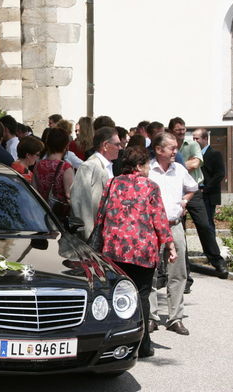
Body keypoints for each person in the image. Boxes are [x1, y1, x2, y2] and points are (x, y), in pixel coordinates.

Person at [94, 146, 176, 358]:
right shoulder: (150, 186)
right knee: (141, 296)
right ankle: (144, 344)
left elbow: (100, 216)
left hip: (114, 251)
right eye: (147, 164)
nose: (149, 168)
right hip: (142, 251)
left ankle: (115, 343)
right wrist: (170, 245)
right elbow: (159, 220)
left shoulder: (112, 183)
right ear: (139, 166)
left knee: (117, 296)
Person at [148, 132, 198, 336]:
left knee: (178, 272)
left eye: (176, 148)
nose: (175, 152)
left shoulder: (179, 169)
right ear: (159, 150)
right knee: (149, 273)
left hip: (174, 225)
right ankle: (151, 317)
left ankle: (175, 318)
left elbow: (193, 187)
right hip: (151, 228)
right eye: (172, 148)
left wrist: (185, 201)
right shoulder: (148, 170)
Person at [169, 117, 228, 280]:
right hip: (175, 192)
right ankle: (185, 275)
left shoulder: (192, 144)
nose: (181, 132)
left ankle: (217, 260)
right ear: (171, 131)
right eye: (178, 129)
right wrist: (182, 164)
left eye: (183, 129)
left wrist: (175, 165)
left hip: (193, 190)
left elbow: (195, 163)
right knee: (179, 232)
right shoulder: (168, 145)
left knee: (204, 225)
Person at [70, 127, 121, 240]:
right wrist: (89, 237)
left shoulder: (108, 166)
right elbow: (80, 205)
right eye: (117, 144)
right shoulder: (89, 167)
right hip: (93, 238)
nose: (120, 148)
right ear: (106, 145)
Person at [32, 128, 74, 221]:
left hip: (42, 214)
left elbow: (34, 190)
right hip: (59, 217)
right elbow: (69, 196)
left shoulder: (38, 165)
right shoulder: (66, 168)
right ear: (66, 145)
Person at [193, 128, 225, 233]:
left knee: (208, 223)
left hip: (208, 194)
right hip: (195, 192)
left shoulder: (215, 154)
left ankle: (211, 249)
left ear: (205, 138)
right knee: (200, 223)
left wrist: (206, 189)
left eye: (197, 138)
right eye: (193, 138)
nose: (194, 141)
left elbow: (220, 174)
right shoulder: (193, 155)